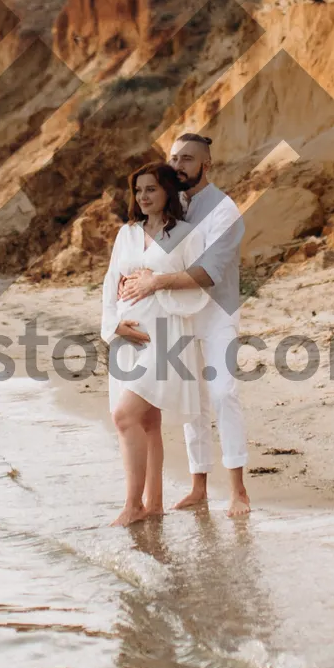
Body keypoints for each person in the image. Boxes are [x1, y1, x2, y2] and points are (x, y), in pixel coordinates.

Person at [118, 134, 250, 516]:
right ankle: (199, 487)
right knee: (193, 403)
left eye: (188, 159)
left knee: (223, 392)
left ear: (206, 165)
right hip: (177, 314)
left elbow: (208, 272)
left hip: (217, 313)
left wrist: (155, 282)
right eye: (174, 157)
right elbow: (149, 253)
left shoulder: (224, 210)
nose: (178, 165)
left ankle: (238, 491)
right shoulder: (169, 204)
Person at [100, 162, 207, 526]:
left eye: (151, 189)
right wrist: (114, 326)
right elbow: (109, 284)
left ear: (167, 192)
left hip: (165, 333)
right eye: (138, 190)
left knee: (124, 415)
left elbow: (200, 281)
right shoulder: (126, 233)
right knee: (147, 421)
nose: (143, 197)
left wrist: (155, 281)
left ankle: (132, 505)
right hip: (129, 336)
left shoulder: (187, 234)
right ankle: (154, 504)